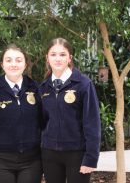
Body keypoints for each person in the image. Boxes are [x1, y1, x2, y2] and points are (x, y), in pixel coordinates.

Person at [40, 38, 101, 183]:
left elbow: (92, 123)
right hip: (50, 154)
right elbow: (41, 122)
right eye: (53, 54)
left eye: (62, 54)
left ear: (70, 58)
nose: (58, 59)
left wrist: (91, 158)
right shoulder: (43, 87)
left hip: (77, 153)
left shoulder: (84, 84)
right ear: (47, 58)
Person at [0, 44, 42, 183]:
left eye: (18, 60)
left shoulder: (36, 88)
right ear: (2, 64)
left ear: (25, 64)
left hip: (31, 161)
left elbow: (44, 120)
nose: (13, 64)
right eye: (9, 60)